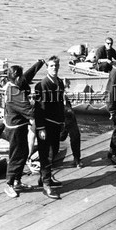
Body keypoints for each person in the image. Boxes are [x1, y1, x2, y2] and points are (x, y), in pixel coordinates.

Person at [2, 59, 45, 198]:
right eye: (21, 77)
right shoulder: (14, 94)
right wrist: (36, 103)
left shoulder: (14, 84)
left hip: (20, 126)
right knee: (16, 156)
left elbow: (28, 75)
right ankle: (9, 184)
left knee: (24, 152)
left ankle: (17, 181)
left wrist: (39, 64)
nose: (23, 79)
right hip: (14, 129)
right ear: (17, 78)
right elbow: (30, 112)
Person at [34, 56, 66, 200]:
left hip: (56, 124)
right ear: (47, 68)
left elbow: (61, 104)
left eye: (56, 65)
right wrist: (40, 128)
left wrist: (62, 122)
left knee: (54, 151)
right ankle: (46, 184)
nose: (55, 68)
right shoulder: (42, 85)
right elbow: (39, 109)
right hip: (45, 125)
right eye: (52, 66)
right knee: (46, 155)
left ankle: (44, 177)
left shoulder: (59, 82)